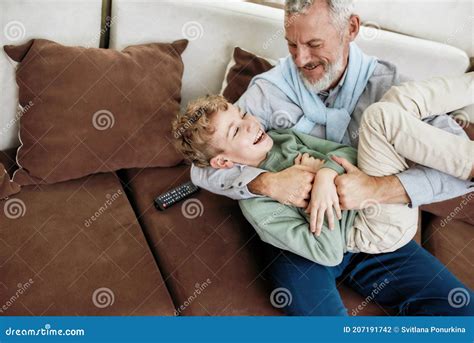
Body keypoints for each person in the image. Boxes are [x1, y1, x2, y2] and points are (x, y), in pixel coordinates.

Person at [190, 0, 474, 315]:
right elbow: (203, 170)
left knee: (462, 310)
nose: (300, 59)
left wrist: (379, 189)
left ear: (351, 28)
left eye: (314, 44)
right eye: (291, 45)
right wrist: (268, 183)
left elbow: (461, 173)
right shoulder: (268, 92)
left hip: (371, 222)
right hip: (303, 236)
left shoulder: (389, 89)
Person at [173, 73, 474, 266]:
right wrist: (317, 187)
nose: (251, 124)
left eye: (243, 114)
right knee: (379, 117)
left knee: (397, 99)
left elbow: (345, 153)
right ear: (224, 163)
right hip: (374, 227)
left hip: (372, 189)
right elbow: (329, 253)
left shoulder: (282, 139)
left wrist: (327, 175)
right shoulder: (262, 211)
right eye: (236, 131)